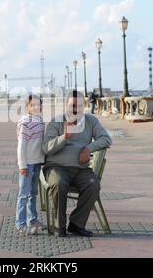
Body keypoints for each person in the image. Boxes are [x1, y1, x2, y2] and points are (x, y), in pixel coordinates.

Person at [42, 91, 112, 237]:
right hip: (57, 167)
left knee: (93, 184)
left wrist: (88, 148)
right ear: (66, 106)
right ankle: (59, 225)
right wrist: (64, 137)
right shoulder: (56, 122)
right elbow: (46, 147)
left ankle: (76, 224)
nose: (76, 109)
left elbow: (106, 138)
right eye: (72, 105)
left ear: (84, 106)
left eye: (79, 105)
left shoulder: (90, 121)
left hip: (81, 169)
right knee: (60, 183)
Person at [15, 95, 46, 236]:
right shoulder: (25, 122)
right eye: (32, 105)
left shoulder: (40, 121)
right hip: (27, 164)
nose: (36, 107)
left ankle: (32, 220)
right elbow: (21, 146)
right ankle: (20, 224)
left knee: (33, 193)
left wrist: (43, 158)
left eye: (38, 105)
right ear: (27, 107)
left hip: (37, 162)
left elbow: (41, 142)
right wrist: (22, 165)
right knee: (23, 194)